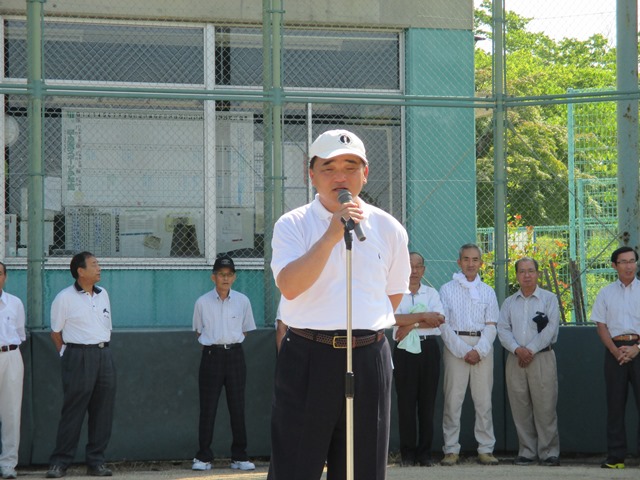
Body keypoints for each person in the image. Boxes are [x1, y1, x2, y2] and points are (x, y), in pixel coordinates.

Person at [268, 129, 410, 480]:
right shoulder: (292, 224)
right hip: (308, 356)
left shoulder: (388, 228)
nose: (340, 177)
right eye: (328, 168)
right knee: (294, 467)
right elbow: (289, 286)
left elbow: (391, 296)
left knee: (363, 468)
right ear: (311, 174)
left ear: (366, 172)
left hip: (368, 357)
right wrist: (332, 234)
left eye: (350, 166)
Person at [46, 252, 116, 478]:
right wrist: (67, 354)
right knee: (73, 412)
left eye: (98, 263)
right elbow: (55, 332)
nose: (99, 268)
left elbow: (106, 326)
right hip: (78, 356)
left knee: (102, 412)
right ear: (80, 271)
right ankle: (59, 463)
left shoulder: (103, 294)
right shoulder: (64, 298)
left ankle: (96, 462)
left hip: (104, 355)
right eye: (94, 264)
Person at [191, 255, 257, 472]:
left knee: (237, 406)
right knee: (208, 407)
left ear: (234, 277)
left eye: (229, 275)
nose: (225, 278)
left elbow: (245, 330)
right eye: (221, 274)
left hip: (235, 356)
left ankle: (239, 456)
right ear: (213, 277)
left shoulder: (243, 301)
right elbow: (199, 332)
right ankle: (203, 457)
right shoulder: (202, 302)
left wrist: (230, 344)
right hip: (211, 356)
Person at [438, 243, 499, 466]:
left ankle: (486, 449)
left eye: (475, 259)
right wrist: (464, 350)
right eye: (466, 259)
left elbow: (492, 324)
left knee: (483, 401)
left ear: (481, 263)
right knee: (453, 400)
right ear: (459, 262)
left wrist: (479, 350)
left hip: (482, 346)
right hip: (456, 346)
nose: (470, 264)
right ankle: (451, 449)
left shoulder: (488, 291)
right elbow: (443, 324)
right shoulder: (446, 290)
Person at [497, 257, 560, 467]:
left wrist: (530, 350)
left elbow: (551, 329)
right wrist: (517, 350)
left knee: (545, 406)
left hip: (542, 358)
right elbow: (502, 329)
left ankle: (549, 452)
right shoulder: (509, 302)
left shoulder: (549, 299)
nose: (527, 275)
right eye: (522, 271)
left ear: (537, 273)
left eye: (531, 271)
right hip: (515, 359)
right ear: (516, 275)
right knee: (520, 407)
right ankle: (526, 451)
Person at [392, 252, 445, 467]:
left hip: (428, 349)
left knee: (427, 403)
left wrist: (411, 325)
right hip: (404, 351)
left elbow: (438, 319)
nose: (414, 271)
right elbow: (393, 319)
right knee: (405, 403)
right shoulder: (396, 293)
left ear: (424, 269)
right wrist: (423, 316)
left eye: (418, 266)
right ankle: (407, 454)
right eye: (410, 266)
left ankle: (424, 454)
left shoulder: (431, 293)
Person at [591, 246, 640, 469]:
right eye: (624, 262)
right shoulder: (605, 293)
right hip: (615, 351)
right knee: (615, 405)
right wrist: (615, 350)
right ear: (614, 265)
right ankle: (616, 457)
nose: (629, 266)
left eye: (632, 261)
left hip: (638, 347)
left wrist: (637, 347)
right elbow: (601, 325)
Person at [0, 262, 26, 480]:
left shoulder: (15, 303)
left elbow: (20, 333)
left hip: (11, 355)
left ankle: (8, 464)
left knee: (11, 412)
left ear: (5, 277)